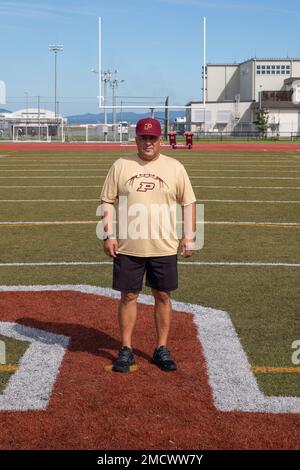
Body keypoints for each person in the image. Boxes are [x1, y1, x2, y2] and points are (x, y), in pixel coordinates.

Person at [100, 117, 196, 373]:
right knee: (128, 296)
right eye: (144, 138)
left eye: (153, 138)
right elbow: (107, 201)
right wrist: (108, 234)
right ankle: (126, 349)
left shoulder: (175, 167)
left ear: (161, 140)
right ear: (136, 139)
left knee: (163, 296)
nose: (148, 142)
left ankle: (161, 348)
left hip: (164, 246)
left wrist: (189, 236)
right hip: (128, 246)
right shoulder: (121, 165)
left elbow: (188, 202)